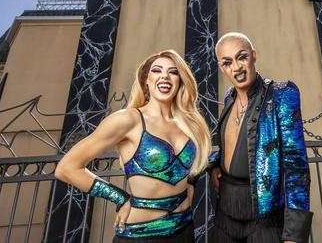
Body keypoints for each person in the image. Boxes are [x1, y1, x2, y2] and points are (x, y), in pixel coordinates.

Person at [55, 50, 211, 242]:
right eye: (157, 70)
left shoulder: (187, 123)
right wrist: (119, 198)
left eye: (173, 72)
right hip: (141, 235)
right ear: (146, 79)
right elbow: (66, 168)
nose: (165, 76)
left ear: (180, 80)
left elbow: (203, 157)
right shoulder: (128, 120)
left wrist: (191, 182)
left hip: (184, 229)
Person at [211, 32, 313, 243]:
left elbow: (296, 166)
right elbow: (223, 142)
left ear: (253, 55)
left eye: (242, 57)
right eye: (228, 62)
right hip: (225, 211)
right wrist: (213, 165)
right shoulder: (229, 97)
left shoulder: (282, 94)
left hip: (264, 216)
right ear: (222, 68)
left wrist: (294, 234)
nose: (237, 67)